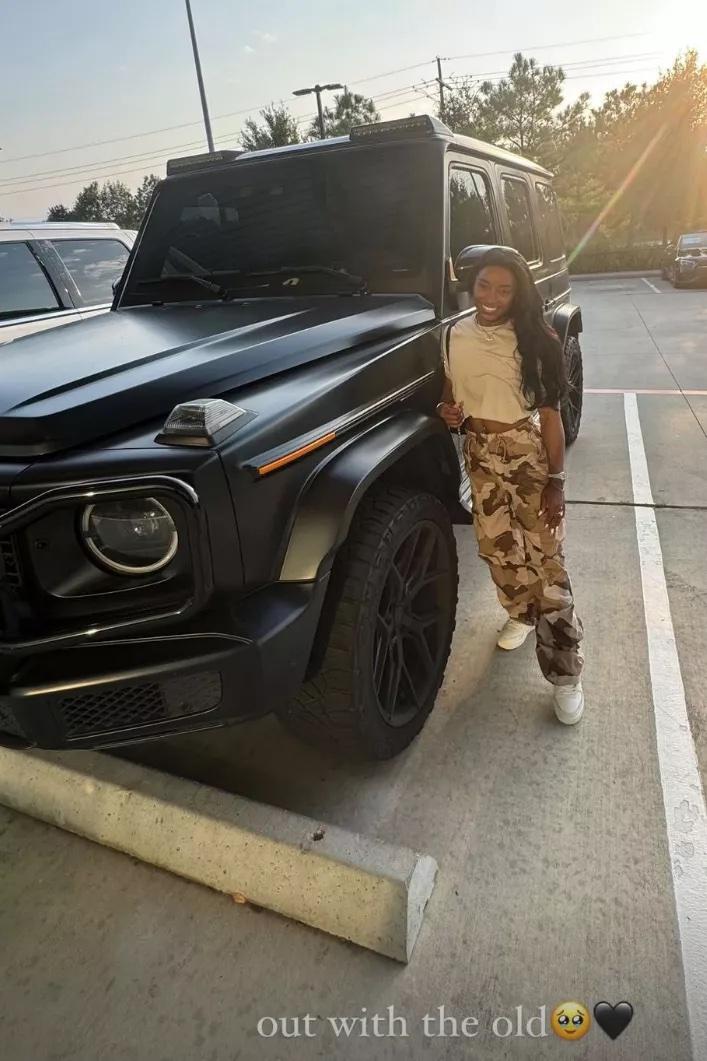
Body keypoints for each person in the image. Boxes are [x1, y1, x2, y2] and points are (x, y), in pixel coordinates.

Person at [437, 247, 584, 724]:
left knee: (546, 562)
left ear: (518, 292)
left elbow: (550, 416)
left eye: (504, 289)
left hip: (525, 455)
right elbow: (449, 393)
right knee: (498, 549)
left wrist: (556, 483)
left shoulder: (535, 339)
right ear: (471, 285)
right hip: (478, 452)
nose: (492, 298)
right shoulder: (453, 334)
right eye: (484, 286)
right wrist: (449, 412)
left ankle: (566, 674)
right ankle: (520, 613)